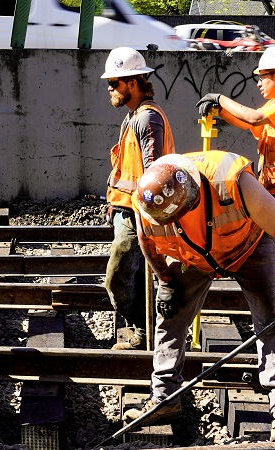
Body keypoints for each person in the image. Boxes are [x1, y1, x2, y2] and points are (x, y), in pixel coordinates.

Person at [122, 152, 275, 442]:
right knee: (170, 317)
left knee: (269, 320)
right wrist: (166, 280)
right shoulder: (147, 201)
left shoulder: (232, 180)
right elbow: (147, 241)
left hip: (247, 246)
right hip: (195, 255)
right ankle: (164, 398)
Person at [195, 46, 275, 341]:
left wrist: (219, 98)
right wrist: (219, 111)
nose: (258, 83)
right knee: (273, 255)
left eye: (261, 77)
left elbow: (251, 119)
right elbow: (250, 122)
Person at [100, 46, 175, 350]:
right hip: (125, 209)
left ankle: (143, 329)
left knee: (116, 278)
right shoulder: (134, 117)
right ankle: (144, 333)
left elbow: (153, 173)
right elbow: (125, 168)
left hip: (137, 214)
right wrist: (113, 204)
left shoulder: (147, 119)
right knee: (138, 277)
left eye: (114, 83)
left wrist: (142, 217)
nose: (110, 89)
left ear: (132, 82)